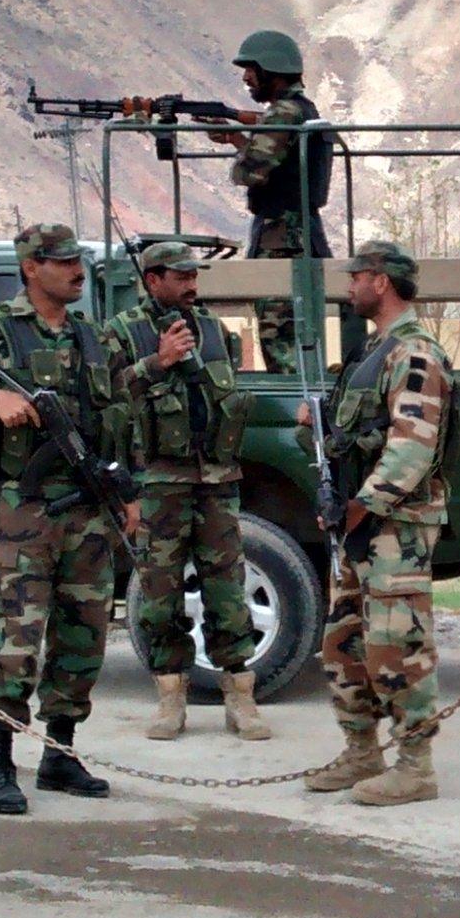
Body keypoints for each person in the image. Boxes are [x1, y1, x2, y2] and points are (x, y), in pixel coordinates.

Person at [0, 223, 137, 815]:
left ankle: (60, 754)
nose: (77, 270)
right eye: (63, 261)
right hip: (24, 511)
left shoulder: (94, 337)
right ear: (31, 267)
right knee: (15, 640)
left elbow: (118, 418)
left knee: (84, 636)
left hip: (89, 511)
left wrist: (129, 492)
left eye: (80, 260)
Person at [295, 240, 455, 805]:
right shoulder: (373, 353)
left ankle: (415, 766)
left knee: (397, 644)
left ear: (380, 281)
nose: (350, 285)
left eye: (356, 276)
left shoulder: (414, 354)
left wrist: (357, 507)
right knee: (344, 643)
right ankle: (362, 751)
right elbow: (352, 440)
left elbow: (411, 452)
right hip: (361, 524)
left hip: (395, 524)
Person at [107, 241, 268, 742]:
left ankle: (240, 699)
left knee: (228, 587)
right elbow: (105, 398)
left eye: (194, 275)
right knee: (160, 592)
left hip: (216, 481)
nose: (192, 284)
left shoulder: (215, 330)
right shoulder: (122, 332)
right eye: (180, 276)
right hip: (158, 482)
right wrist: (156, 363)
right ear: (152, 280)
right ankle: (170, 700)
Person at [205, 28, 331, 372]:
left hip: (282, 241)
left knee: (283, 350)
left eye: (252, 69)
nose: (246, 77)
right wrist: (236, 137)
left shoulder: (284, 113)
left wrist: (240, 144)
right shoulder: (302, 111)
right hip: (297, 234)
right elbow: (277, 164)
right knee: (293, 343)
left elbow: (249, 172)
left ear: (271, 70)